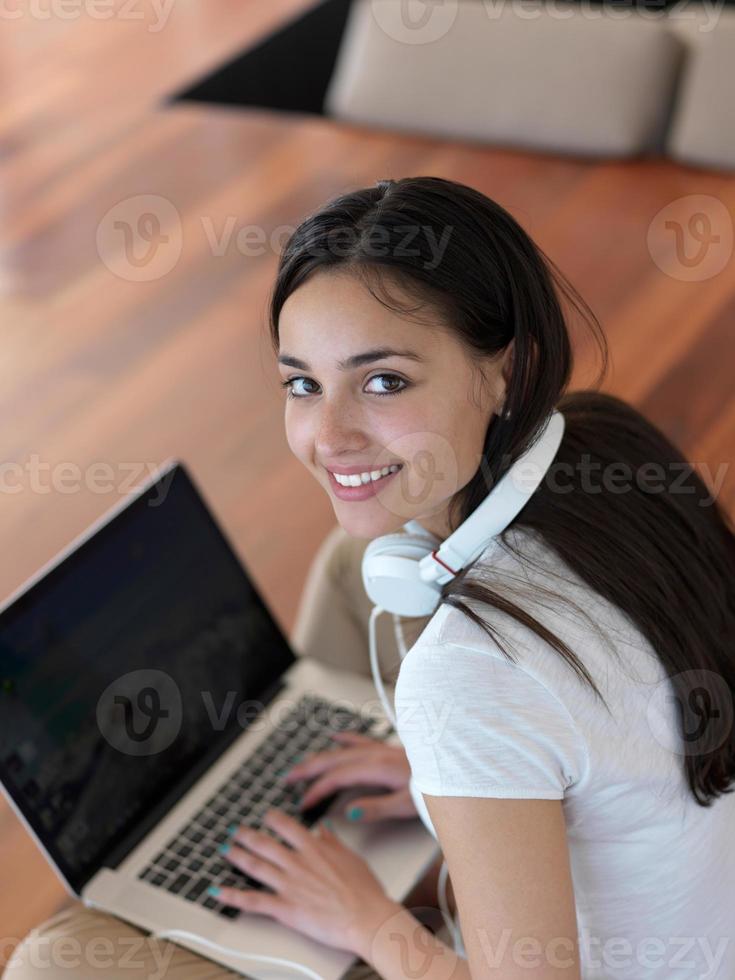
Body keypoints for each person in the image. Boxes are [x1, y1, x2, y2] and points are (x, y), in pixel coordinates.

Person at [8, 174, 735, 980]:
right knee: (358, 563)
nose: (326, 435)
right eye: (301, 384)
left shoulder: (466, 678)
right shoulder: (607, 441)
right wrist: (445, 781)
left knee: (55, 961)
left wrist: (368, 921)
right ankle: (267, 755)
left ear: (504, 370)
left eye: (383, 381)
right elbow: (600, 719)